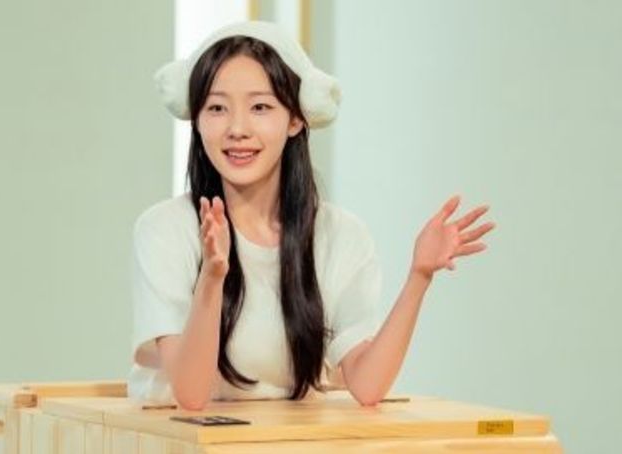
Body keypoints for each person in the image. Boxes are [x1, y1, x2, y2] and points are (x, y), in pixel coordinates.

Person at [128, 21, 495, 411]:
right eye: (217, 108)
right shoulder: (164, 230)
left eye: (260, 107)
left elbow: (368, 385)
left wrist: (419, 276)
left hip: (295, 437)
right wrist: (212, 277)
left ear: (295, 119)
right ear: (197, 120)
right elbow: (191, 394)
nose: (237, 128)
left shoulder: (340, 235)